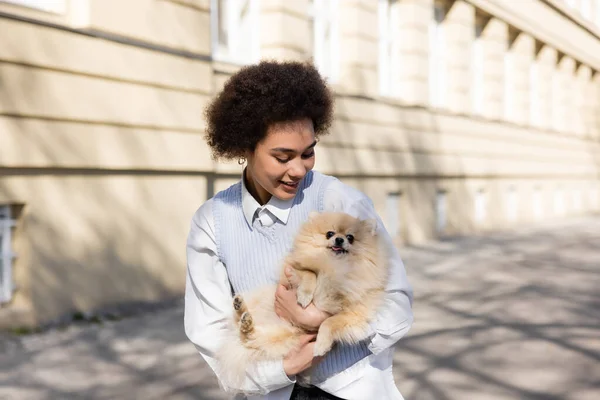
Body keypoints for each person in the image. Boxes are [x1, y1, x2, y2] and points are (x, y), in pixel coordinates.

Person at [184, 60, 414, 400]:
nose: (298, 169)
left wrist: (323, 321)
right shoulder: (213, 221)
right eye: (283, 156)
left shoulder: (339, 203)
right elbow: (210, 331)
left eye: (308, 153)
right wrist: (284, 368)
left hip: (351, 391)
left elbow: (397, 305)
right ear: (245, 146)